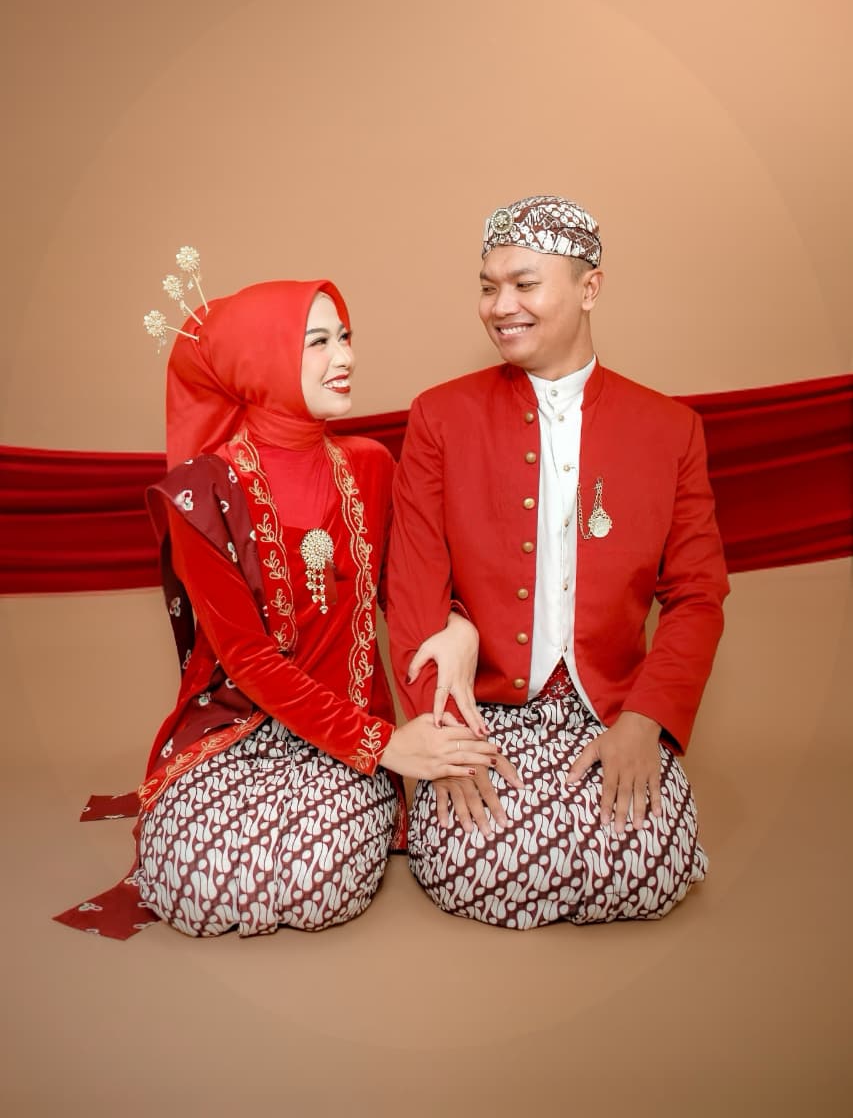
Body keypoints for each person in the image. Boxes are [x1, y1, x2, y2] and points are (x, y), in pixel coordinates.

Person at [57, 278, 508, 940]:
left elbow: (410, 587)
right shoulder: (203, 492)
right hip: (238, 727)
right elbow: (246, 658)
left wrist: (459, 622)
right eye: (317, 342)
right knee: (191, 881)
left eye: (345, 337)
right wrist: (387, 745)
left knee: (314, 882)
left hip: (349, 733)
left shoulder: (372, 467)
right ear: (260, 361)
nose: (345, 357)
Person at [387, 195, 730, 929]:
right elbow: (412, 584)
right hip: (482, 706)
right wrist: (438, 730)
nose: (500, 306)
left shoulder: (669, 429)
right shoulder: (440, 417)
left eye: (524, 284)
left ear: (589, 288)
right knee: (479, 867)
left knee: (649, 869)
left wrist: (644, 724)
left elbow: (698, 595)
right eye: (488, 287)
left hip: (611, 704)